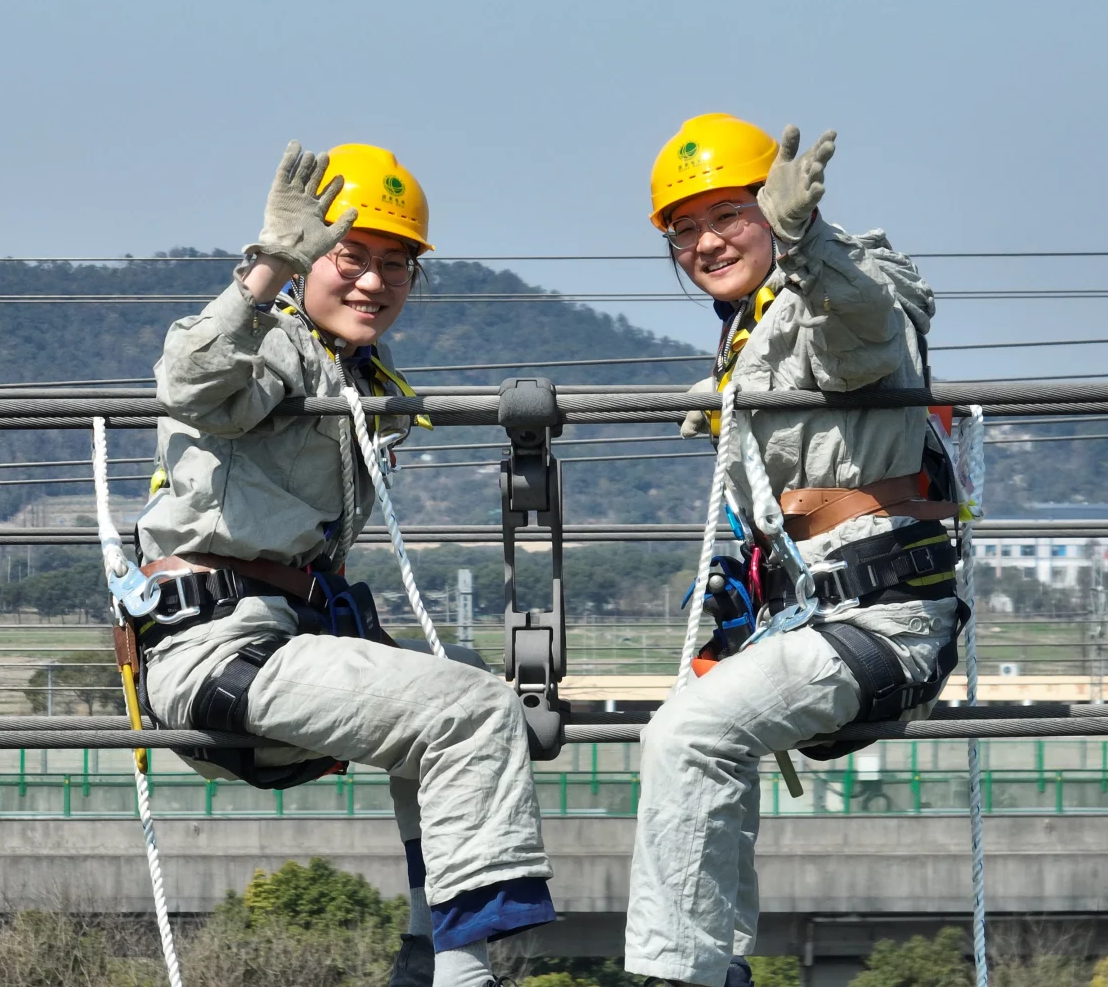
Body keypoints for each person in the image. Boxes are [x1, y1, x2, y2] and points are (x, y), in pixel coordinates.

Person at [134, 140, 555, 987]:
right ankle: (470, 970)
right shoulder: (279, 348)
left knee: (456, 672)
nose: (371, 282)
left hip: (275, 639)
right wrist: (266, 269)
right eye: (347, 257)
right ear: (306, 264)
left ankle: (425, 947)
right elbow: (190, 381)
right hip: (213, 651)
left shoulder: (355, 377)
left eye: (394, 266)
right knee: (470, 710)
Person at [625, 115, 962, 987]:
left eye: (729, 214)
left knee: (688, 739)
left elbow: (861, 333)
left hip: (883, 621)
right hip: (811, 620)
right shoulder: (751, 326)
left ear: (774, 211)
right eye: (685, 229)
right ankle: (711, 967)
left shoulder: (837, 289)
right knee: (695, 739)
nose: (705, 241)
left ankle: (686, 977)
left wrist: (807, 239)